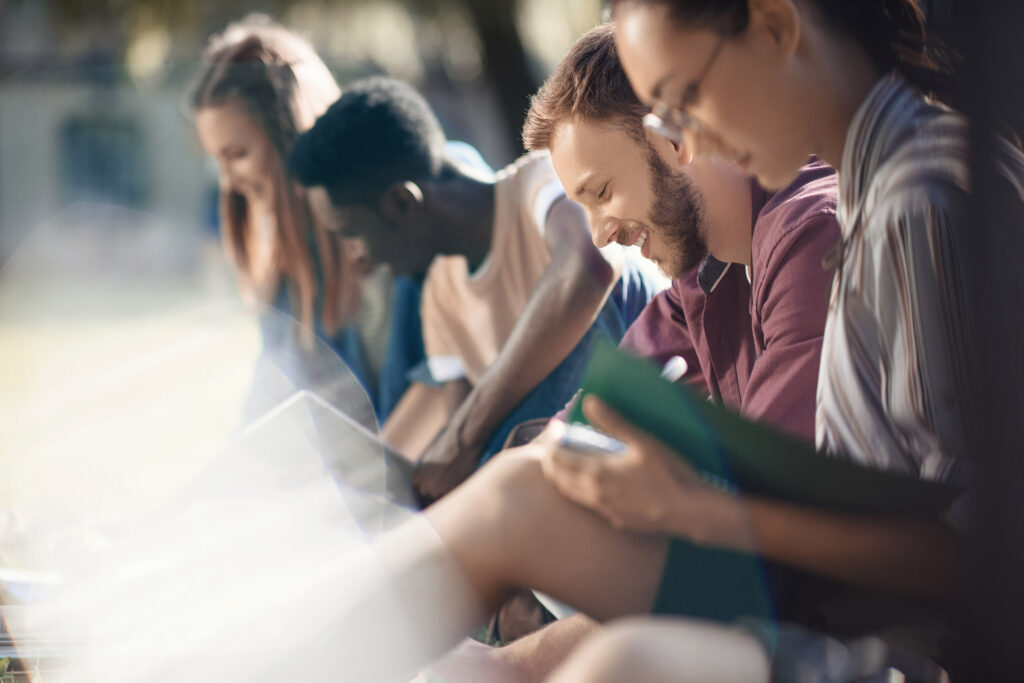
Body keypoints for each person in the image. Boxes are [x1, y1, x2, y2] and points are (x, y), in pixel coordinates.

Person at [535, 0, 1024, 678]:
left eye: (685, 100)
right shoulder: (878, 188)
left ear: (774, 27)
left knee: (619, 662)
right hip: (875, 631)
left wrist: (695, 510)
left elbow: (973, 559)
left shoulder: (915, 198)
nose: (689, 145)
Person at [289, 77, 665, 502]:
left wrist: (467, 435)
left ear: (402, 204)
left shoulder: (539, 181)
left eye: (352, 233)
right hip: (562, 478)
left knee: (594, 292)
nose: (356, 259)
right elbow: (462, 447)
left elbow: (591, 263)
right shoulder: (439, 299)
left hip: (651, 409)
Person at [190, 15, 426, 426]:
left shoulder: (394, 222)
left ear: (291, 131)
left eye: (238, 154)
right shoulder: (288, 271)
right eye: (218, 161)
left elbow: (442, 379)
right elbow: (270, 406)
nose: (228, 182)